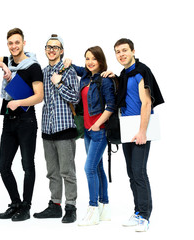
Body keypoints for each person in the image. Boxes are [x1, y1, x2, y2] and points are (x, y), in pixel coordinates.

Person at [0, 28, 44, 221]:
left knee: (27, 165)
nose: (14, 46)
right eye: (10, 43)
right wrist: (3, 66)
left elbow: (39, 96)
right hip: (9, 122)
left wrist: (19, 102)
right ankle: (15, 203)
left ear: (24, 43)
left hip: (27, 121)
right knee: (3, 166)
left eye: (17, 42)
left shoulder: (33, 66)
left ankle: (26, 207)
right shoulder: (8, 61)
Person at [114, 38, 164, 232]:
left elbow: (146, 103)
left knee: (139, 171)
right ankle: (137, 212)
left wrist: (142, 131)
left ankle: (145, 216)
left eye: (124, 50)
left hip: (140, 128)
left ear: (133, 51)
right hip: (127, 128)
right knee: (131, 172)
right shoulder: (124, 74)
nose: (121, 54)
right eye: (118, 52)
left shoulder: (141, 71)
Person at [64, 46, 116, 226]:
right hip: (87, 131)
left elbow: (110, 106)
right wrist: (69, 61)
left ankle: (93, 209)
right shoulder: (86, 76)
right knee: (98, 168)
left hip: (98, 131)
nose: (90, 62)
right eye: (87, 58)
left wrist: (97, 124)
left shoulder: (105, 80)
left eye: (93, 58)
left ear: (101, 60)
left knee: (89, 169)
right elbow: (77, 68)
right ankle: (105, 207)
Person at [33, 34, 79, 223]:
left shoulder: (68, 71)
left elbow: (75, 98)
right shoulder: (43, 72)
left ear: (61, 51)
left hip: (65, 128)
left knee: (67, 171)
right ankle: (55, 205)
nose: (51, 50)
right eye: (48, 47)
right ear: (45, 50)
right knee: (52, 171)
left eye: (55, 47)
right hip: (47, 129)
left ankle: (71, 206)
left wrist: (58, 82)